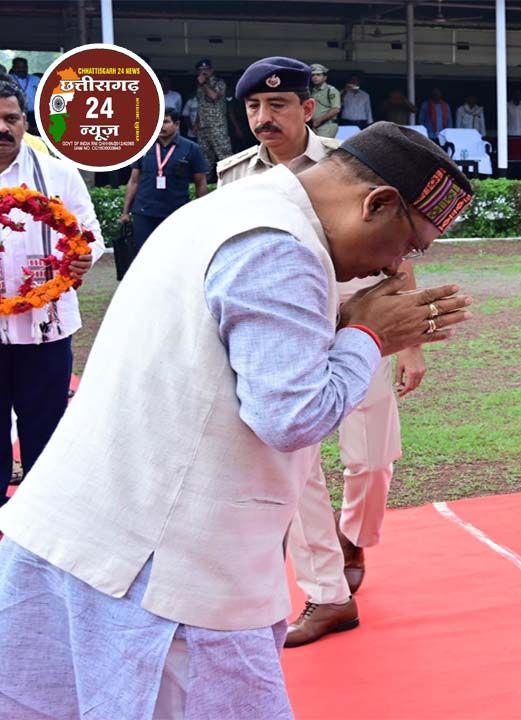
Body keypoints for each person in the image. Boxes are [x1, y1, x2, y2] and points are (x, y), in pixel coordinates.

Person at [0, 118, 474, 718]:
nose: (394, 268)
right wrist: (367, 338)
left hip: (78, 536)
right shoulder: (282, 246)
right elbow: (292, 417)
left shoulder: (233, 208)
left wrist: (345, 326)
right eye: (409, 246)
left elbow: (227, 357)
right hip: (163, 576)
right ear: (377, 204)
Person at [219, 57, 431, 648]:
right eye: (255, 108)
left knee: (371, 461)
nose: (265, 118)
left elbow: (399, 252)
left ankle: (353, 536)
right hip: (288, 337)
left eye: (278, 105)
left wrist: (410, 343)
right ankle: (327, 594)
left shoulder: (353, 164)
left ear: (307, 109)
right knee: (301, 470)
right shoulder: (234, 177)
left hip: (364, 329)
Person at [0, 78, 102, 502]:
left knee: (45, 428)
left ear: (25, 121)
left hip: (47, 329)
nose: (3, 129)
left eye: (10, 118)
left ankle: (42, 519)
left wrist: (83, 258)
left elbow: (89, 233)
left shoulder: (58, 173)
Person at [120, 109, 210, 252]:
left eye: (165, 122)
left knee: (173, 254)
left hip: (176, 213)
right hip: (144, 212)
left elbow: (200, 184)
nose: (160, 126)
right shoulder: (143, 146)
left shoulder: (191, 148)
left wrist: (204, 213)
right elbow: (134, 181)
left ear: (177, 124)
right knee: (143, 254)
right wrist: (125, 212)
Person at [194, 59, 234, 180]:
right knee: (204, 157)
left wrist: (204, 84)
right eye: (201, 70)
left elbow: (214, 97)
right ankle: (205, 186)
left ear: (211, 70)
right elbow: (201, 105)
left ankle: (229, 182)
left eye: (206, 70)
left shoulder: (219, 83)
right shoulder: (199, 87)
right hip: (203, 127)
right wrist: (196, 122)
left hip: (217, 126)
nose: (203, 72)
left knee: (224, 154)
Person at [309, 63, 342, 139]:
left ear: (325, 77)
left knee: (324, 148)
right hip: (315, 125)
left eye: (318, 75)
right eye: (313, 75)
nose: (315, 77)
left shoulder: (331, 90)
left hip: (327, 125)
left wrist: (319, 120)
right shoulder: (312, 91)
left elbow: (336, 109)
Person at [6, 58, 39, 126]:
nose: (21, 69)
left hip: (33, 115)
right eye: (18, 67)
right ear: (13, 68)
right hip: (13, 115)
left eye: (24, 67)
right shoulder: (7, 79)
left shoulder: (35, 79)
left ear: (27, 67)